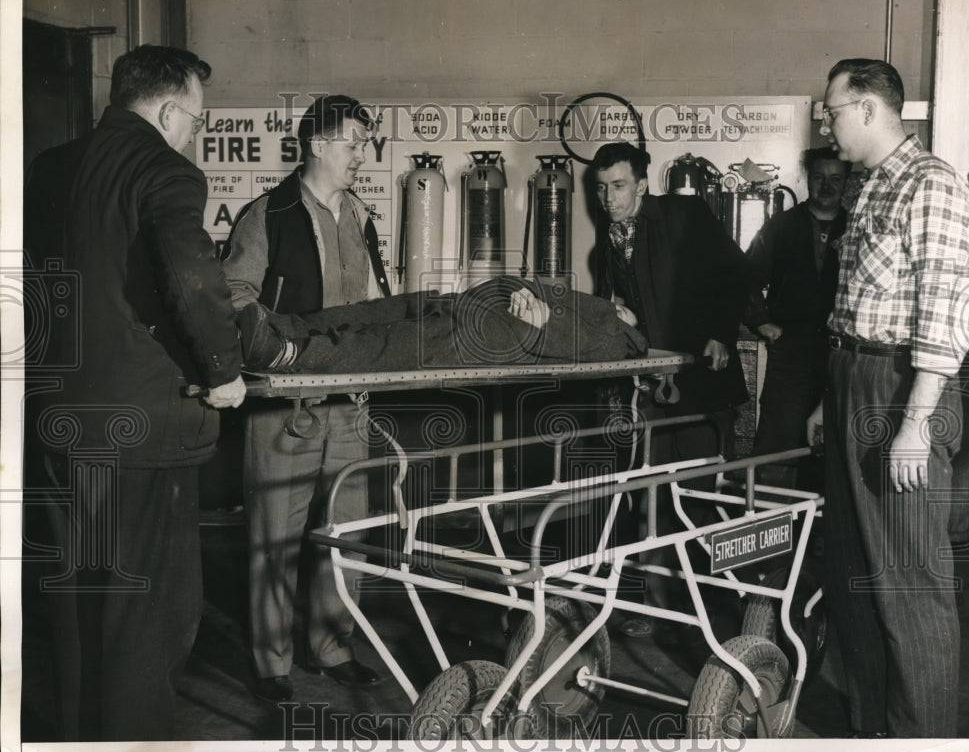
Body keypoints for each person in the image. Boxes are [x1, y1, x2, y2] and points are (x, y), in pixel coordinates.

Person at [22, 44, 246, 741]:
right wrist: (223, 371)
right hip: (145, 434)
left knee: (79, 609)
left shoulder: (51, 166)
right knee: (149, 620)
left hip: (62, 421)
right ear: (170, 110)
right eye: (197, 121)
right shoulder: (165, 169)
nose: (195, 133)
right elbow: (191, 281)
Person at [806, 58, 969, 738]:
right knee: (854, 570)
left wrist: (915, 422)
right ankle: (873, 727)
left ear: (870, 108)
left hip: (902, 387)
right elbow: (855, 305)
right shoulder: (868, 186)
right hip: (853, 378)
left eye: (833, 109)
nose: (827, 121)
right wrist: (829, 397)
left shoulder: (930, 184)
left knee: (909, 581)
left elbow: (945, 309)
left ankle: (923, 740)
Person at [222, 95, 389, 703]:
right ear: (318, 144)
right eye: (353, 144)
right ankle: (272, 662)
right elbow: (235, 297)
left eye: (365, 144)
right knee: (275, 538)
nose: (361, 157)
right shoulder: (267, 214)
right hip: (285, 409)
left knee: (346, 532)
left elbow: (374, 301)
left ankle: (331, 645)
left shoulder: (360, 215)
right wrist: (280, 353)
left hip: (347, 405)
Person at [591, 142, 753, 638]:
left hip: (702, 383)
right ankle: (657, 607)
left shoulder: (684, 213)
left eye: (618, 186)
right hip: (657, 387)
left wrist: (722, 333)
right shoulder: (609, 243)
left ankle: (716, 610)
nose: (608, 198)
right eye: (601, 189)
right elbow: (640, 307)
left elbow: (736, 272)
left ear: (642, 184)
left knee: (700, 498)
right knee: (652, 499)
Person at [236, 275, 648, 373]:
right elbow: (532, 286)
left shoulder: (621, 333)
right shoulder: (598, 306)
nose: (618, 306)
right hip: (476, 304)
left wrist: (541, 322)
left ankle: (285, 352)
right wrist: (520, 293)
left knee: (385, 343)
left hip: (494, 334)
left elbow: (602, 349)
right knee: (374, 313)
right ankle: (283, 325)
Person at [742, 146, 850, 489]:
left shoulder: (856, 227)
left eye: (836, 178)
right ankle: (769, 532)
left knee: (831, 450)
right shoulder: (783, 225)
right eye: (819, 177)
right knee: (777, 448)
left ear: (847, 182)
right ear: (807, 180)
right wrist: (760, 321)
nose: (827, 186)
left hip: (841, 356)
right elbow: (744, 277)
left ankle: (818, 538)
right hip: (790, 353)